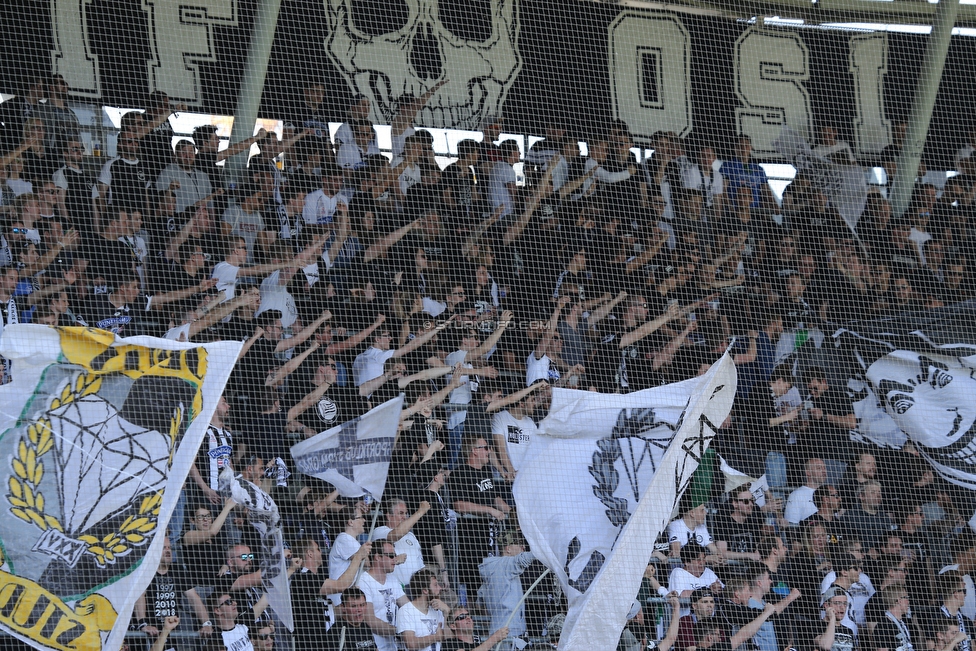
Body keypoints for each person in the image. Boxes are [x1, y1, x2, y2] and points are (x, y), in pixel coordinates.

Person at [448, 435, 511, 595]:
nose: (489, 451)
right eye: (485, 447)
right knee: (473, 581)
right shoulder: (460, 473)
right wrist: (489, 510)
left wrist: (511, 511)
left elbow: (494, 498)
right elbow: (458, 504)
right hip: (471, 537)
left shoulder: (486, 471)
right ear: (474, 451)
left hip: (490, 533)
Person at [133, 537, 213, 642]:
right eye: (163, 548)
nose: (168, 551)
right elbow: (140, 596)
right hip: (150, 633)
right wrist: (143, 624)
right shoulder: (145, 571)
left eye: (169, 548)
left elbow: (193, 597)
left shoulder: (178, 570)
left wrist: (206, 623)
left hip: (171, 631)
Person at [477, 528, 535, 639]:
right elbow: (522, 560)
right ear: (508, 549)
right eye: (519, 543)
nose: (524, 548)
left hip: (499, 629)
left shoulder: (494, 568)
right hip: (509, 633)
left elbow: (479, 603)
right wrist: (542, 551)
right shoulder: (504, 563)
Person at [358, 540, 409, 651]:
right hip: (376, 647)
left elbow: (408, 607)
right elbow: (369, 619)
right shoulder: (363, 581)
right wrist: (399, 631)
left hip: (394, 646)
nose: (395, 560)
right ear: (378, 557)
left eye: (395, 556)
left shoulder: (392, 579)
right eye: (391, 556)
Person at [398, 568, 451, 651]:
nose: (440, 588)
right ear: (425, 590)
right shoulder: (406, 611)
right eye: (435, 585)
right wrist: (436, 637)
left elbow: (450, 640)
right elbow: (411, 644)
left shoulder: (438, 610)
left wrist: (447, 611)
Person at [442, 606, 510, 651]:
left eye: (469, 615)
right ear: (453, 626)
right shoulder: (449, 643)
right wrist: (494, 638)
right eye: (462, 616)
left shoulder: (480, 645)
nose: (468, 618)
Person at [785, 458, 828, 525]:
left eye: (824, 468)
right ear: (808, 472)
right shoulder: (797, 495)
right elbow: (791, 524)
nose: (824, 471)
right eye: (819, 468)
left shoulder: (830, 493)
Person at [815, 586, 858, 651]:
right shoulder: (815, 625)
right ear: (826, 606)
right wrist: (832, 619)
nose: (842, 607)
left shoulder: (849, 631)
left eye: (845, 604)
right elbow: (825, 646)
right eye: (837, 603)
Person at [874, 586, 916, 651]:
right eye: (906, 598)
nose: (908, 602)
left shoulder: (903, 623)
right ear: (899, 600)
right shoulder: (883, 626)